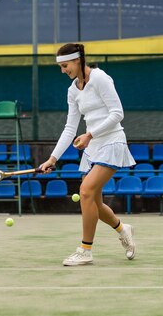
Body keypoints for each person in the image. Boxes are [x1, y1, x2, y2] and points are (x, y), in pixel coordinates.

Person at [39, 43, 136, 266]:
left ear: (77, 60)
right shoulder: (72, 91)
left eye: (66, 66)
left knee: (85, 191)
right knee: (94, 203)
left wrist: (90, 134)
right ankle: (124, 230)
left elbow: (117, 113)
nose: (63, 71)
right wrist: (53, 158)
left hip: (112, 141)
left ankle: (85, 250)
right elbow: (70, 128)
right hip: (92, 149)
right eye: (61, 67)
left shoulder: (100, 78)